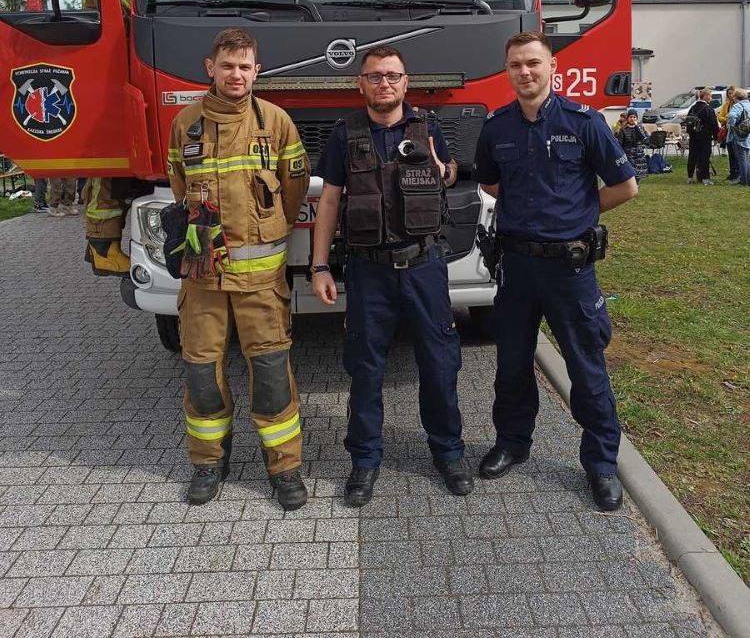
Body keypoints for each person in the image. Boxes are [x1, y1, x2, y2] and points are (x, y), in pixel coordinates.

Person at [472, 31, 638, 511]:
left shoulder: (584, 122)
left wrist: (580, 215)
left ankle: (602, 464)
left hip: (571, 270)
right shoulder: (497, 126)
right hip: (517, 267)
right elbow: (490, 183)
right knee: (511, 364)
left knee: (586, 368)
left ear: (551, 68)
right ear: (507, 72)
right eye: (516, 66)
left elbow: (625, 187)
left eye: (533, 63)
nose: (525, 72)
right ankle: (512, 443)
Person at [311, 45, 471, 505]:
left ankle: (448, 452)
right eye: (375, 76)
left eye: (393, 76)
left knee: (440, 363)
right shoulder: (345, 135)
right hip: (368, 272)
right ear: (360, 83)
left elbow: (450, 172)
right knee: (364, 368)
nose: (385, 83)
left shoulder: (429, 126)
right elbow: (329, 202)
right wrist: (320, 265)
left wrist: (445, 170)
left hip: (423, 266)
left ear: (406, 81)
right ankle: (364, 460)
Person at [166, 28, 310, 509]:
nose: (236, 74)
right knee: (201, 373)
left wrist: (270, 231)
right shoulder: (185, 125)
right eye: (228, 65)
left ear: (257, 70)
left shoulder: (277, 122)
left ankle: (284, 469)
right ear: (211, 68)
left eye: (245, 66)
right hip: (202, 277)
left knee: (270, 375)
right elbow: (178, 187)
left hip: (261, 283)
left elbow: (294, 189)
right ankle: (209, 464)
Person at [82, 0, 143, 275]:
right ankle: (101, 248)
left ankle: (108, 244)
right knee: (107, 167)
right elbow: (114, 13)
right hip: (106, 71)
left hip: (126, 69)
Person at [686, 89, 719, 186]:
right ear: (705, 96)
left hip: (693, 135)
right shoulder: (708, 109)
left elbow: (688, 121)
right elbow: (714, 124)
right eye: (710, 96)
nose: (711, 98)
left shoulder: (692, 108)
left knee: (692, 156)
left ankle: (690, 177)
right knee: (704, 156)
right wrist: (716, 136)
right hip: (705, 136)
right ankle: (705, 178)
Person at [617, 110, 649, 184]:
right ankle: (631, 186)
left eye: (634, 117)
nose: (632, 119)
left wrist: (637, 127)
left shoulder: (639, 127)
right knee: (630, 172)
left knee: (638, 173)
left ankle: (636, 185)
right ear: (628, 118)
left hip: (638, 153)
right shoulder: (623, 129)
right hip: (628, 153)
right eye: (631, 117)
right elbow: (620, 142)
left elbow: (642, 138)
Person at [727, 88, 750, 186]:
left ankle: (744, 181)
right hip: (748, 135)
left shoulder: (738, 105)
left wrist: (732, 124)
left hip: (738, 135)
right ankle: (748, 179)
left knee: (741, 159)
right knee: (746, 158)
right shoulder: (748, 105)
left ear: (735, 97)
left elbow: (732, 116)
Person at [717, 87, 740, 183]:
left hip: (738, 132)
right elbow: (720, 117)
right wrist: (727, 119)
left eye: (732, 93)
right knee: (730, 153)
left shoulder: (739, 105)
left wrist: (728, 119)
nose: (730, 95)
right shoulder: (726, 104)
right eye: (728, 93)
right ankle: (732, 173)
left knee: (737, 154)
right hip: (728, 131)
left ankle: (739, 173)